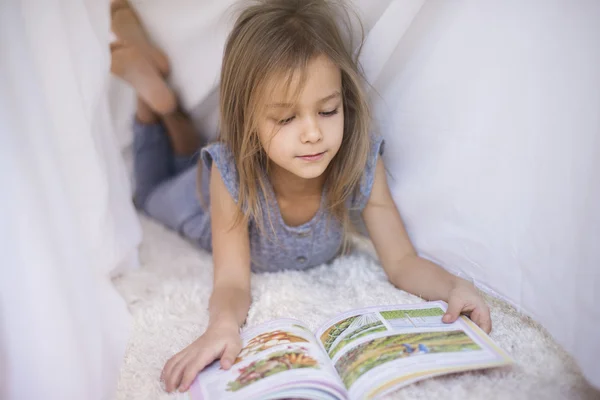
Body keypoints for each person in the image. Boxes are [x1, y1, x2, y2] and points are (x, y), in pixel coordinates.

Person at [113, 0, 492, 393]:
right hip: (196, 204)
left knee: (179, 163)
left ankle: (164, 104)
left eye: (327, 111)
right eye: (286, 118)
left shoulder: (360, 161)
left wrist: (453, 287)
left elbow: (402, 261)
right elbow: (231, 281)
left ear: (343, 100)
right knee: (153, 190)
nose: (312, 133)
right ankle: (154, 103)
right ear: (248, 120)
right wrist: (222, 327)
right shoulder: (230, 174)